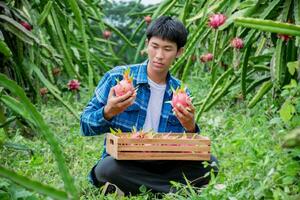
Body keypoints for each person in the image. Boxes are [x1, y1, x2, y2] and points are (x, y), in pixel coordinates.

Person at [80, 16, 218, 196]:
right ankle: (171, 191)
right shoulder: (117, 78)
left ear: (179, 52)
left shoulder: (180, 92)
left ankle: (138, 189)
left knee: (211, 163)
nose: (159, 55)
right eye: (155, 46)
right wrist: (108, 112)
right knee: (106, 168)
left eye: (168, 49)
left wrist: (190, 127)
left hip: (163, 163)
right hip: (125, 161)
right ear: (147, 44)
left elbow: (188, 149)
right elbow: (85, 125)